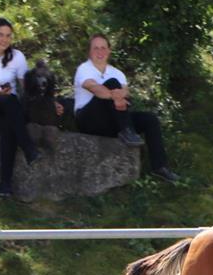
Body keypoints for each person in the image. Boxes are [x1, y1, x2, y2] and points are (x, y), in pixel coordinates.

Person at [72, 34, 179, 184]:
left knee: (150, 119)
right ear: (89, 52)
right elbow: (96, 89)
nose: (100, 51)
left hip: (112, 121)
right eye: (95, 48)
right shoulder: (84, 69)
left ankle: (160, 167)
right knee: (111, 83)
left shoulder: (117, 72)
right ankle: (127, 131)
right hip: (88, 119)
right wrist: (115, 95)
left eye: (103, 48)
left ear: (109, 51)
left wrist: (117, 95)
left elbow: (126, 93)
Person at [0, 17, 58, 198]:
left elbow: (29, 90)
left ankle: (5, 185)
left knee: (8, 125)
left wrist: (51, 103)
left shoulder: (17, 57)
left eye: (8, 36)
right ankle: (28, 147)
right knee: (9, 101)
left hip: (7, 108)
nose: (4, 39)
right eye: (0, 35)